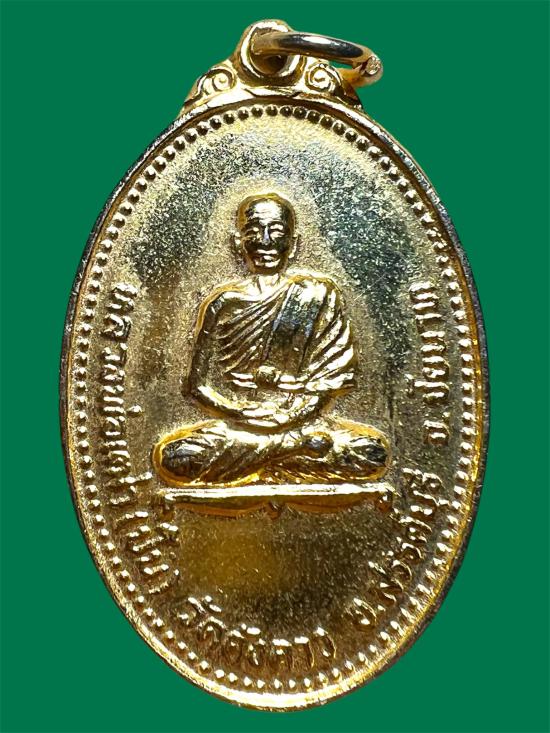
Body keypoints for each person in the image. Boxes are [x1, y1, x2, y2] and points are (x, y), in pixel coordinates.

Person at [154, 193, 389, 487]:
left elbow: (329, 381)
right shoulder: (224, 302)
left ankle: (267, 460)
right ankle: (289, 456)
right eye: (253, 232)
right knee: (176, 457)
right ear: (238, 243)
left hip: (305, 423)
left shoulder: (318, 294)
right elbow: (196, 387)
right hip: (241, 429)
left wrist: (289, 417)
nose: (265, 242)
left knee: (371, 453)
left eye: (276, 232)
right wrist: (239, 411)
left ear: (294, 243)